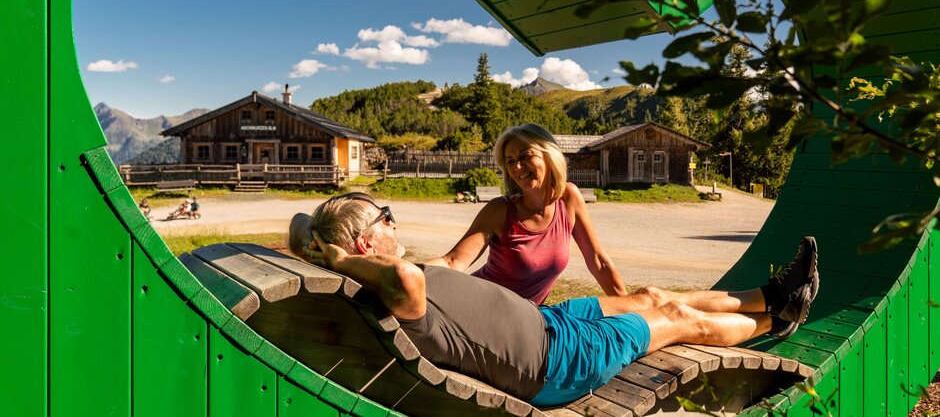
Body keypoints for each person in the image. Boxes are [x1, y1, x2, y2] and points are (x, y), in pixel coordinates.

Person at [289, 194, 819, 406]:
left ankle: (770, 293)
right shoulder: (389, 284)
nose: (393, 220)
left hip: (550, 322)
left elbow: (443, 265)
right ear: (363, 244)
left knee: (652, 295)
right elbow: (406, 278)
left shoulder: (388, 276)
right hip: (556, 363)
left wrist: (316, 242)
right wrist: (336, 260)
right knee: (677, 318)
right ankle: (777, 319)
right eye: (385, 218)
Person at [425, 123, 627, 304]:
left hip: (525, 321)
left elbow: (598, 260)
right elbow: (453, 261)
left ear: (549, 156)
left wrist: (629, 309)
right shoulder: (500, 210)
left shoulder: (568, 198)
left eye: (525, 156)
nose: (517, 167)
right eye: (510, 161)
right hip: (479, 307)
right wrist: (404, 271)